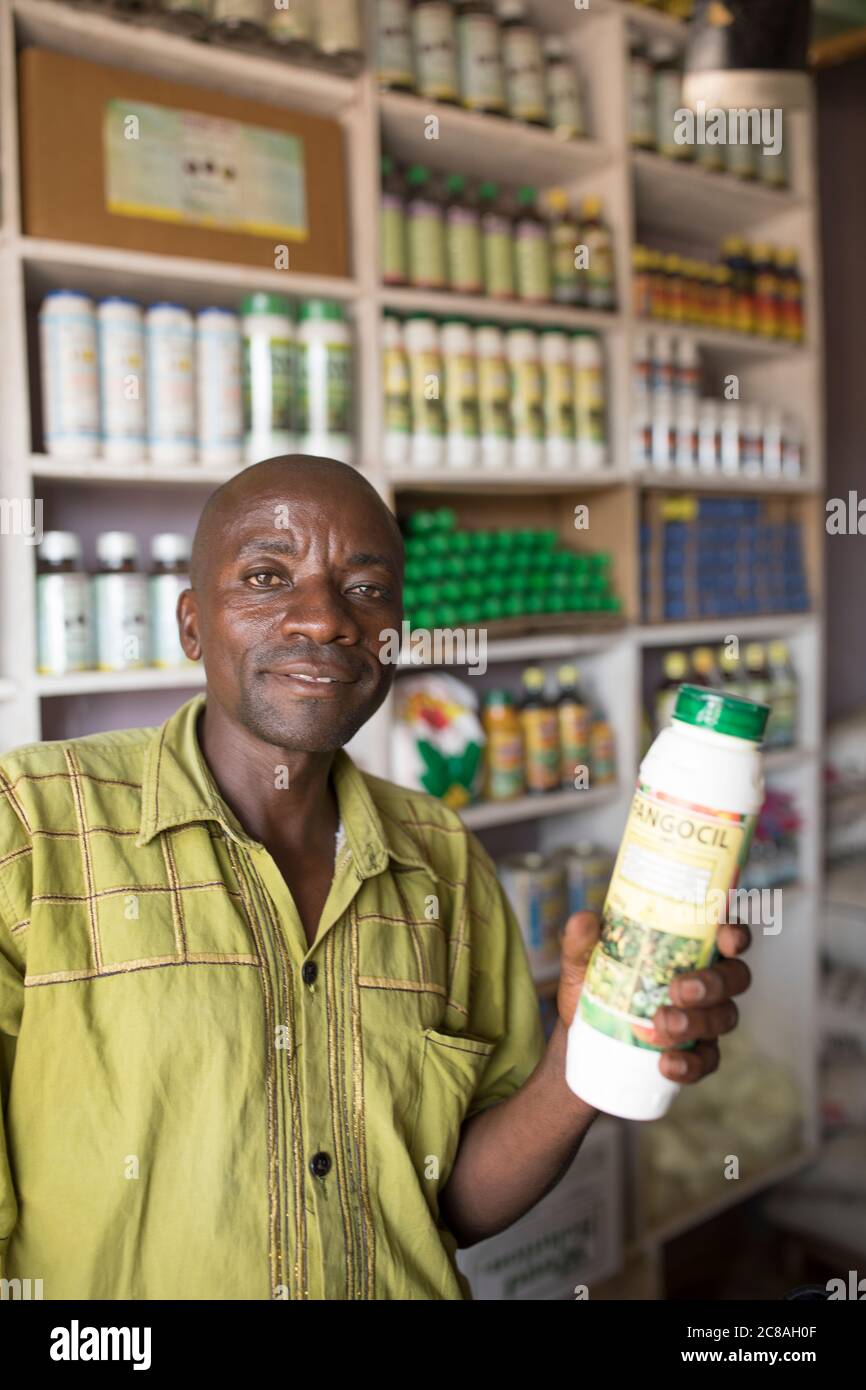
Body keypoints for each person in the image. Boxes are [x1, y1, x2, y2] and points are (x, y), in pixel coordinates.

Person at [0, 456, 751, 1300]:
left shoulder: (441, 856)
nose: (323, 621)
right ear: (191, 624)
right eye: (266, 576)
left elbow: (452, 1202)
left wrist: (584, 1059)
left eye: (365, 590)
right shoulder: (33, 824)